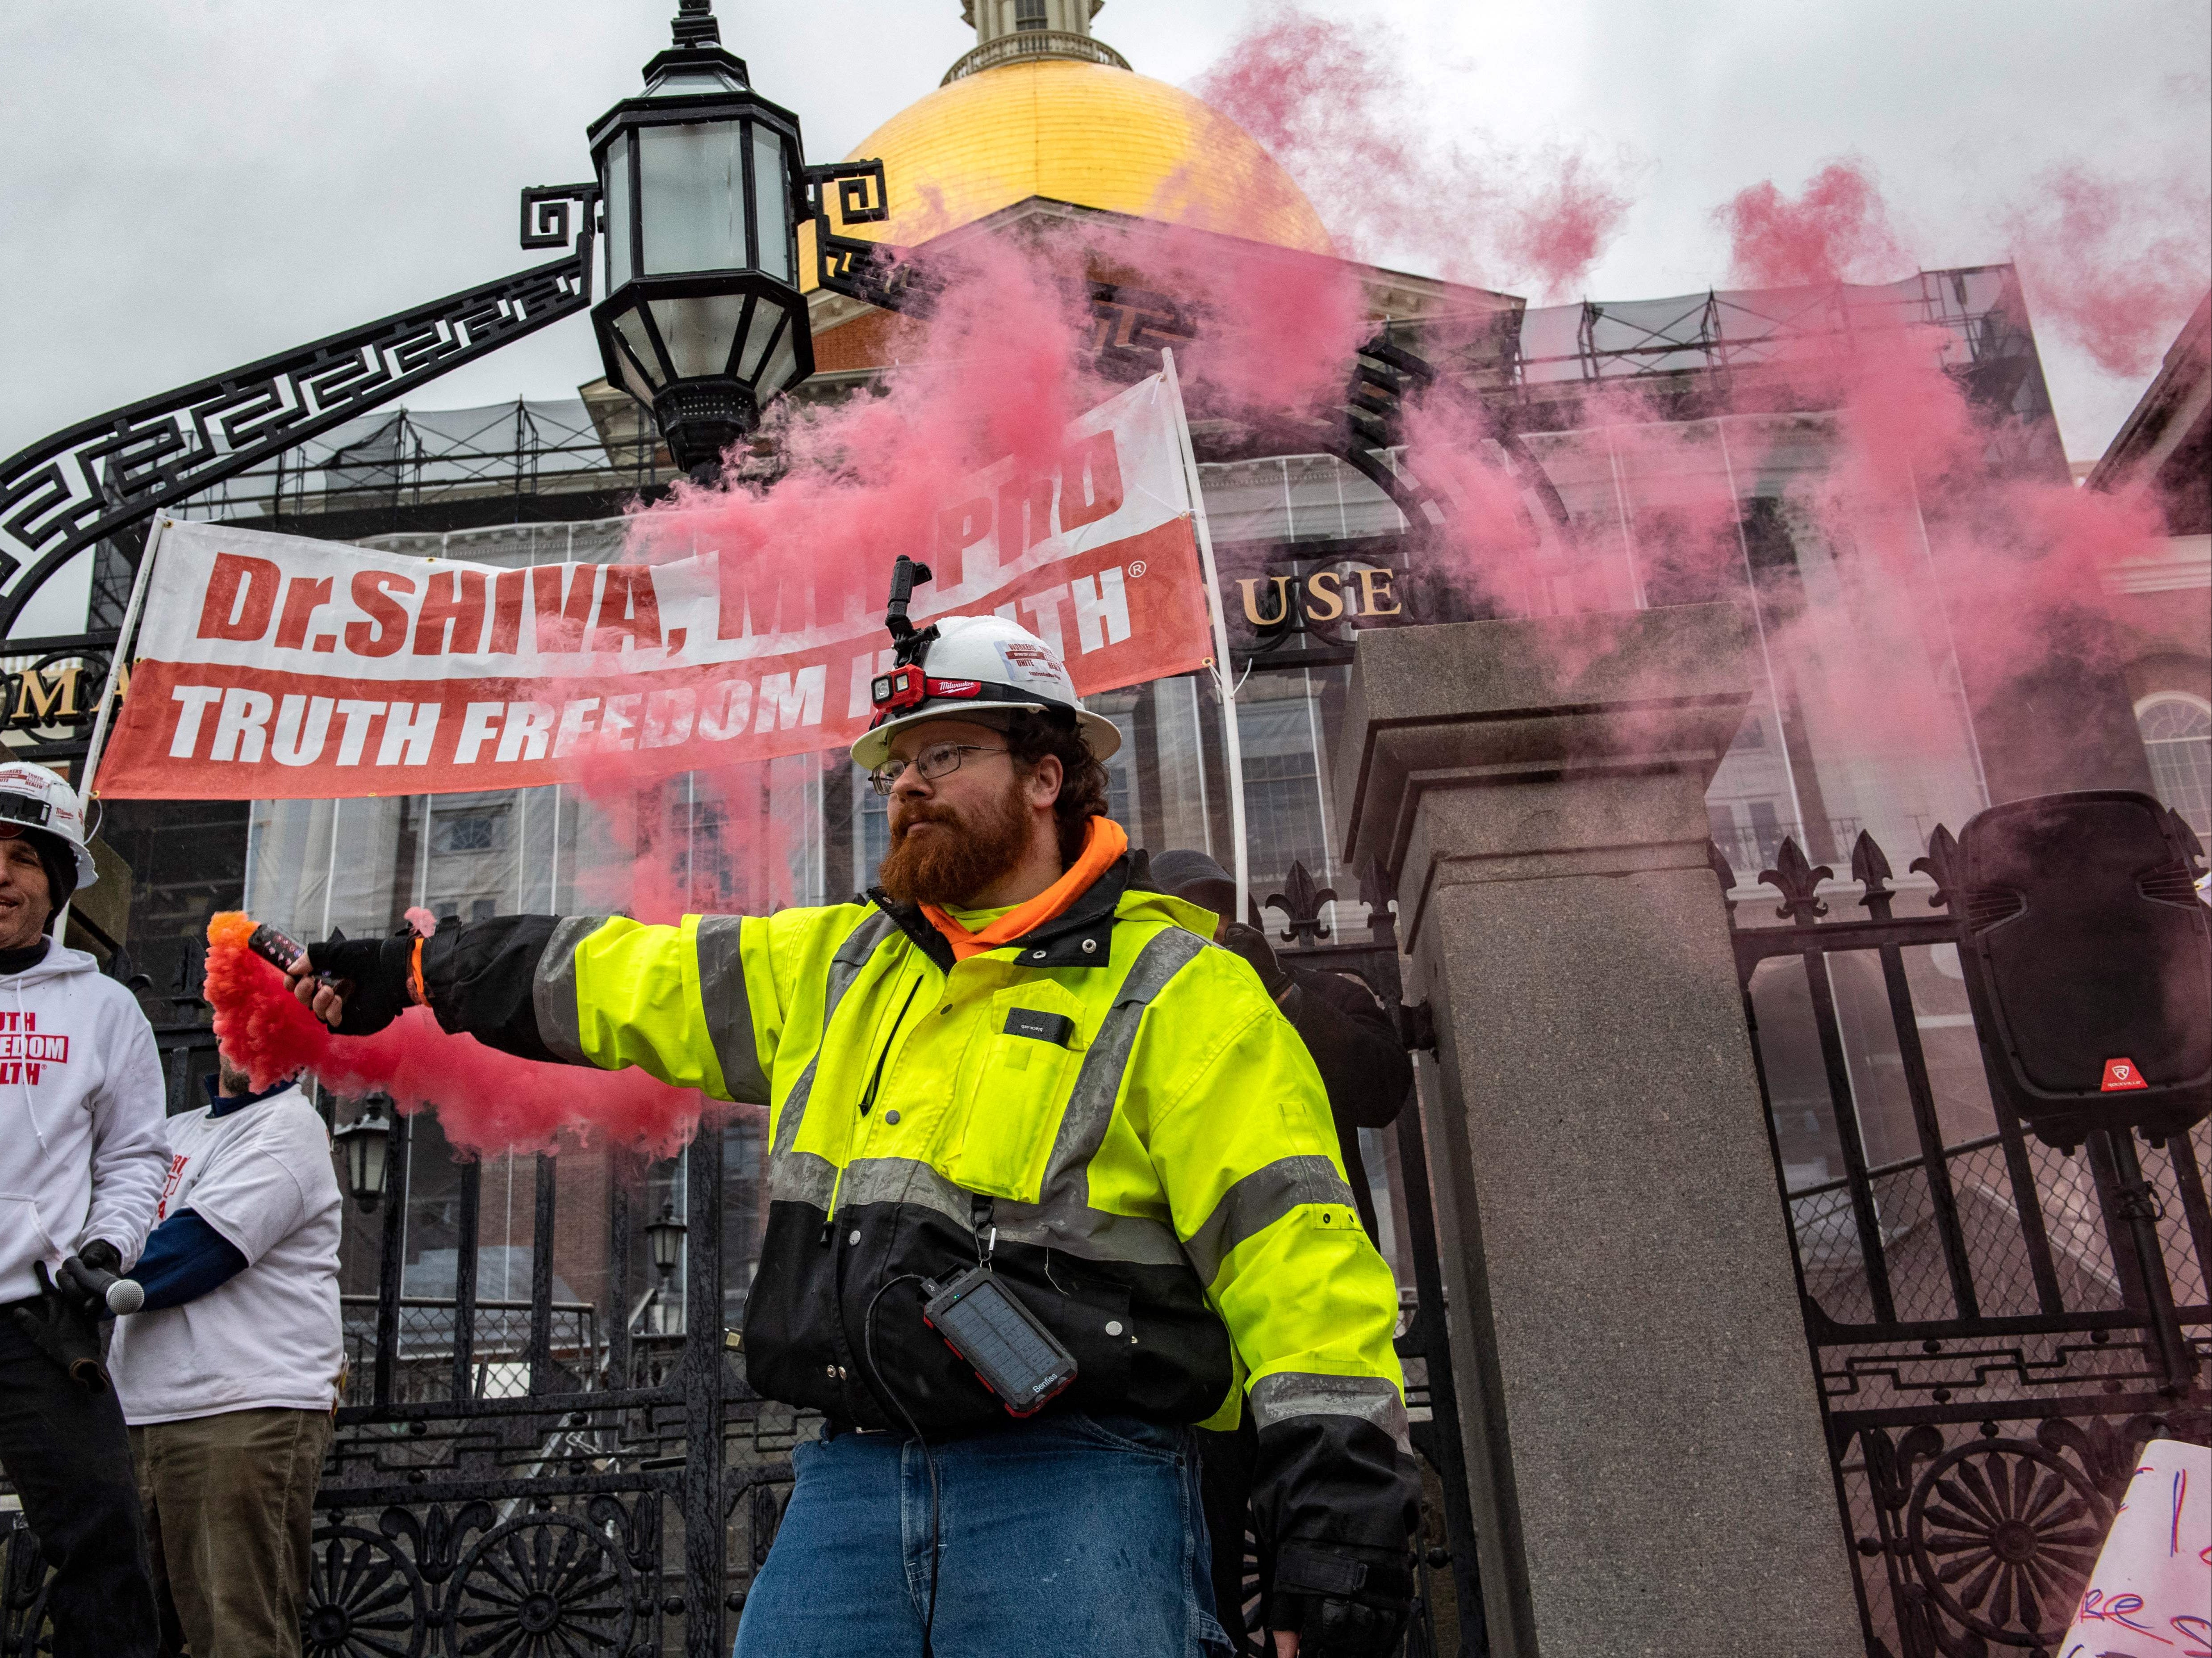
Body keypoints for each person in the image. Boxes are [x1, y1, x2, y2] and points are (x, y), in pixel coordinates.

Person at [292, 607, 1419, 1658]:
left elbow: (1296, 1254)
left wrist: (1341, 1516)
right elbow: (622, 976)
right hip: (845, 1485)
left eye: (944, 755)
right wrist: (413, 967)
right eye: (894, 766)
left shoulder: (1178, 988)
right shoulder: (835, 965)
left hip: (1084, 1479)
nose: (907, 786)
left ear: (1045, 774)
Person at [1146, 850, 1416, 1648]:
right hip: (1193, 1334)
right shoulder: (1151, 1011)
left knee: (1331, 1548)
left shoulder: (1320, 993)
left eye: (1219, 911)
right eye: (1187, 912)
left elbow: (1377, 1086)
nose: (1211, 930)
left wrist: (1280, 994)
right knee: (1206, 1557)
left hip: (1302, 1316)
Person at [0, 761, 169, 1658]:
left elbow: (139, 1157)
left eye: (24, 856)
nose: (1, 874)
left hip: (41, 1324)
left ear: (57, 883)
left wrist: (107, 1247)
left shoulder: (105, 1009)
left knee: (102, 1552)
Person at [108, 1055, 344, 1658]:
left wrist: (84, 1274)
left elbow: (196, 1252)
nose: (239, 1037)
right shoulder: (174, 1132)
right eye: (231, 1015)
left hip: (242, 1409)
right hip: (137, 1411)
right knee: (127, 1633)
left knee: (237, 1636)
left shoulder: (289, 1126)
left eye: (260, 1017)